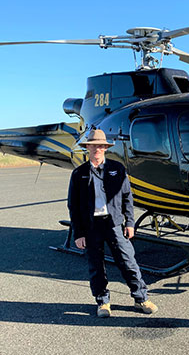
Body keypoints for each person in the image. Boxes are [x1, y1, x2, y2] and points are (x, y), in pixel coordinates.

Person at [68, 129, 158, 317]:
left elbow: (127, 197)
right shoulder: (79, 173)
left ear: (105, 148)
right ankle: (102, 302)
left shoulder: (117, 169)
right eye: (93, 145)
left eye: (101, 145)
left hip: (114, 224)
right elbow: (73, 206)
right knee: (96, 266)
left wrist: (130, 222)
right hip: (91, 227)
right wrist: (78, 233)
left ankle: (141, 298)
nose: (97, 149)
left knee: (128, 261)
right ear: (88, 148)